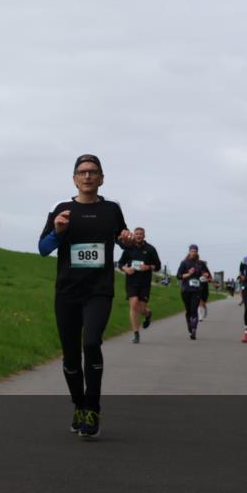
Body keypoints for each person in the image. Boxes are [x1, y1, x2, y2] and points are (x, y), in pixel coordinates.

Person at [39, 154, 133, 439]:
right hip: (67, 292)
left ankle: (93, 408)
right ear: (74, 179)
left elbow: (121, 237)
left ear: (102, 178)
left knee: (91, 343)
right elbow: (43, 248)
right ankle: (78, 405)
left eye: (93, 172)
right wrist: (57, 231)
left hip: (99, 291)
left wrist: (125, 239)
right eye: (82, 172)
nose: (88, 176)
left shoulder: (111, 210)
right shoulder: (62, 209)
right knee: (70, 356)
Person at [117, 227, 162, 343]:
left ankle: (148, 314)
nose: (139, 236)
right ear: (133, 235)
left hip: (145, 283)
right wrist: (125, 269)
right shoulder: (128, 248)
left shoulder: (150, 249)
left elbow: (158, 266)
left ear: (144, 235)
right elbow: (120, 263)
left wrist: (148, 267)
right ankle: (136, 333)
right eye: (137, 234)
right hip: (131, 282)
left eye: (141, 234)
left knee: (141, 309)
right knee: (134, 304)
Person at [176, 245, 211, 340]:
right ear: (189, 252)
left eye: (195, 251)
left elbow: (209, 277)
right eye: (192, 251)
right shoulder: (184, 263)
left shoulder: (201, 264)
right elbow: (178, 276)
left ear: (197, 252)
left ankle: (194, 330)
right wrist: (189, 274)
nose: (193, 252)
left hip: (197, 290)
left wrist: (206, 275)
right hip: (186, 290)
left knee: (194, 309)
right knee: (188, 310)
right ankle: (190, 324)